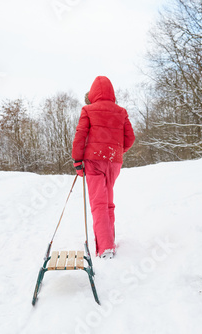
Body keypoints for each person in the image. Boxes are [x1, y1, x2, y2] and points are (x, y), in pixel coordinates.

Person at [72, 76, 135, 259]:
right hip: (114, 162)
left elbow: (80, 136)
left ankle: (105, 248)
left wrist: (78, 161)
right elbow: (130, 138)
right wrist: (117, 151)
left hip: (93, 161)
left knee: (98, 204)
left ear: (92, 93)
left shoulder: (88, 110)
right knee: (108, 203)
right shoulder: (121, 112)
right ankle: (109, 241)